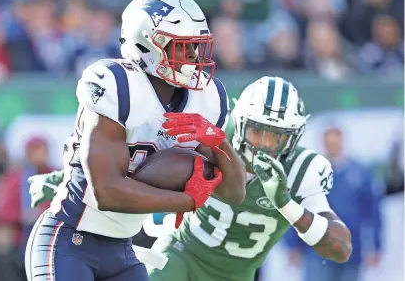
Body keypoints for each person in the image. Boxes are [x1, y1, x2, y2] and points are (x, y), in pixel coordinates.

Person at [29, 77, 352, 281]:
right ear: (239, 123)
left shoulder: (303, 168)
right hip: (181, 253)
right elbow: (138, 160)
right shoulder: (215, 137)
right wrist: (65, 179)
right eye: (257, 132)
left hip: (237, 273)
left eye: (275, 138)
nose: (263, 145)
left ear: (293, 138)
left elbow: (340, 248)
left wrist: (286, 204)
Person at [24, 0, 246, 281]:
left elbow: (234, 193)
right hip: (69, 239)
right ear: (146, 45)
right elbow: (107, 192)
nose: (193, 56)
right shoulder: (116, 85)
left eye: (196, 45)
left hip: (122, 252)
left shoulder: (208, 97)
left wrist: (218, 142)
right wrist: (186, 201)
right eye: (182, 46)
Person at [284, 125, 382, 281]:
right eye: (329, 143)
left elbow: (373, 212)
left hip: (350, 250)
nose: (332, 146)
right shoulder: (309, 174)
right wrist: (292, 246)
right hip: (317, 250)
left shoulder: (359, 173)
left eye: (335, 142)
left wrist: (376, 245)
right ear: (323, 144)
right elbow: (295, 210)